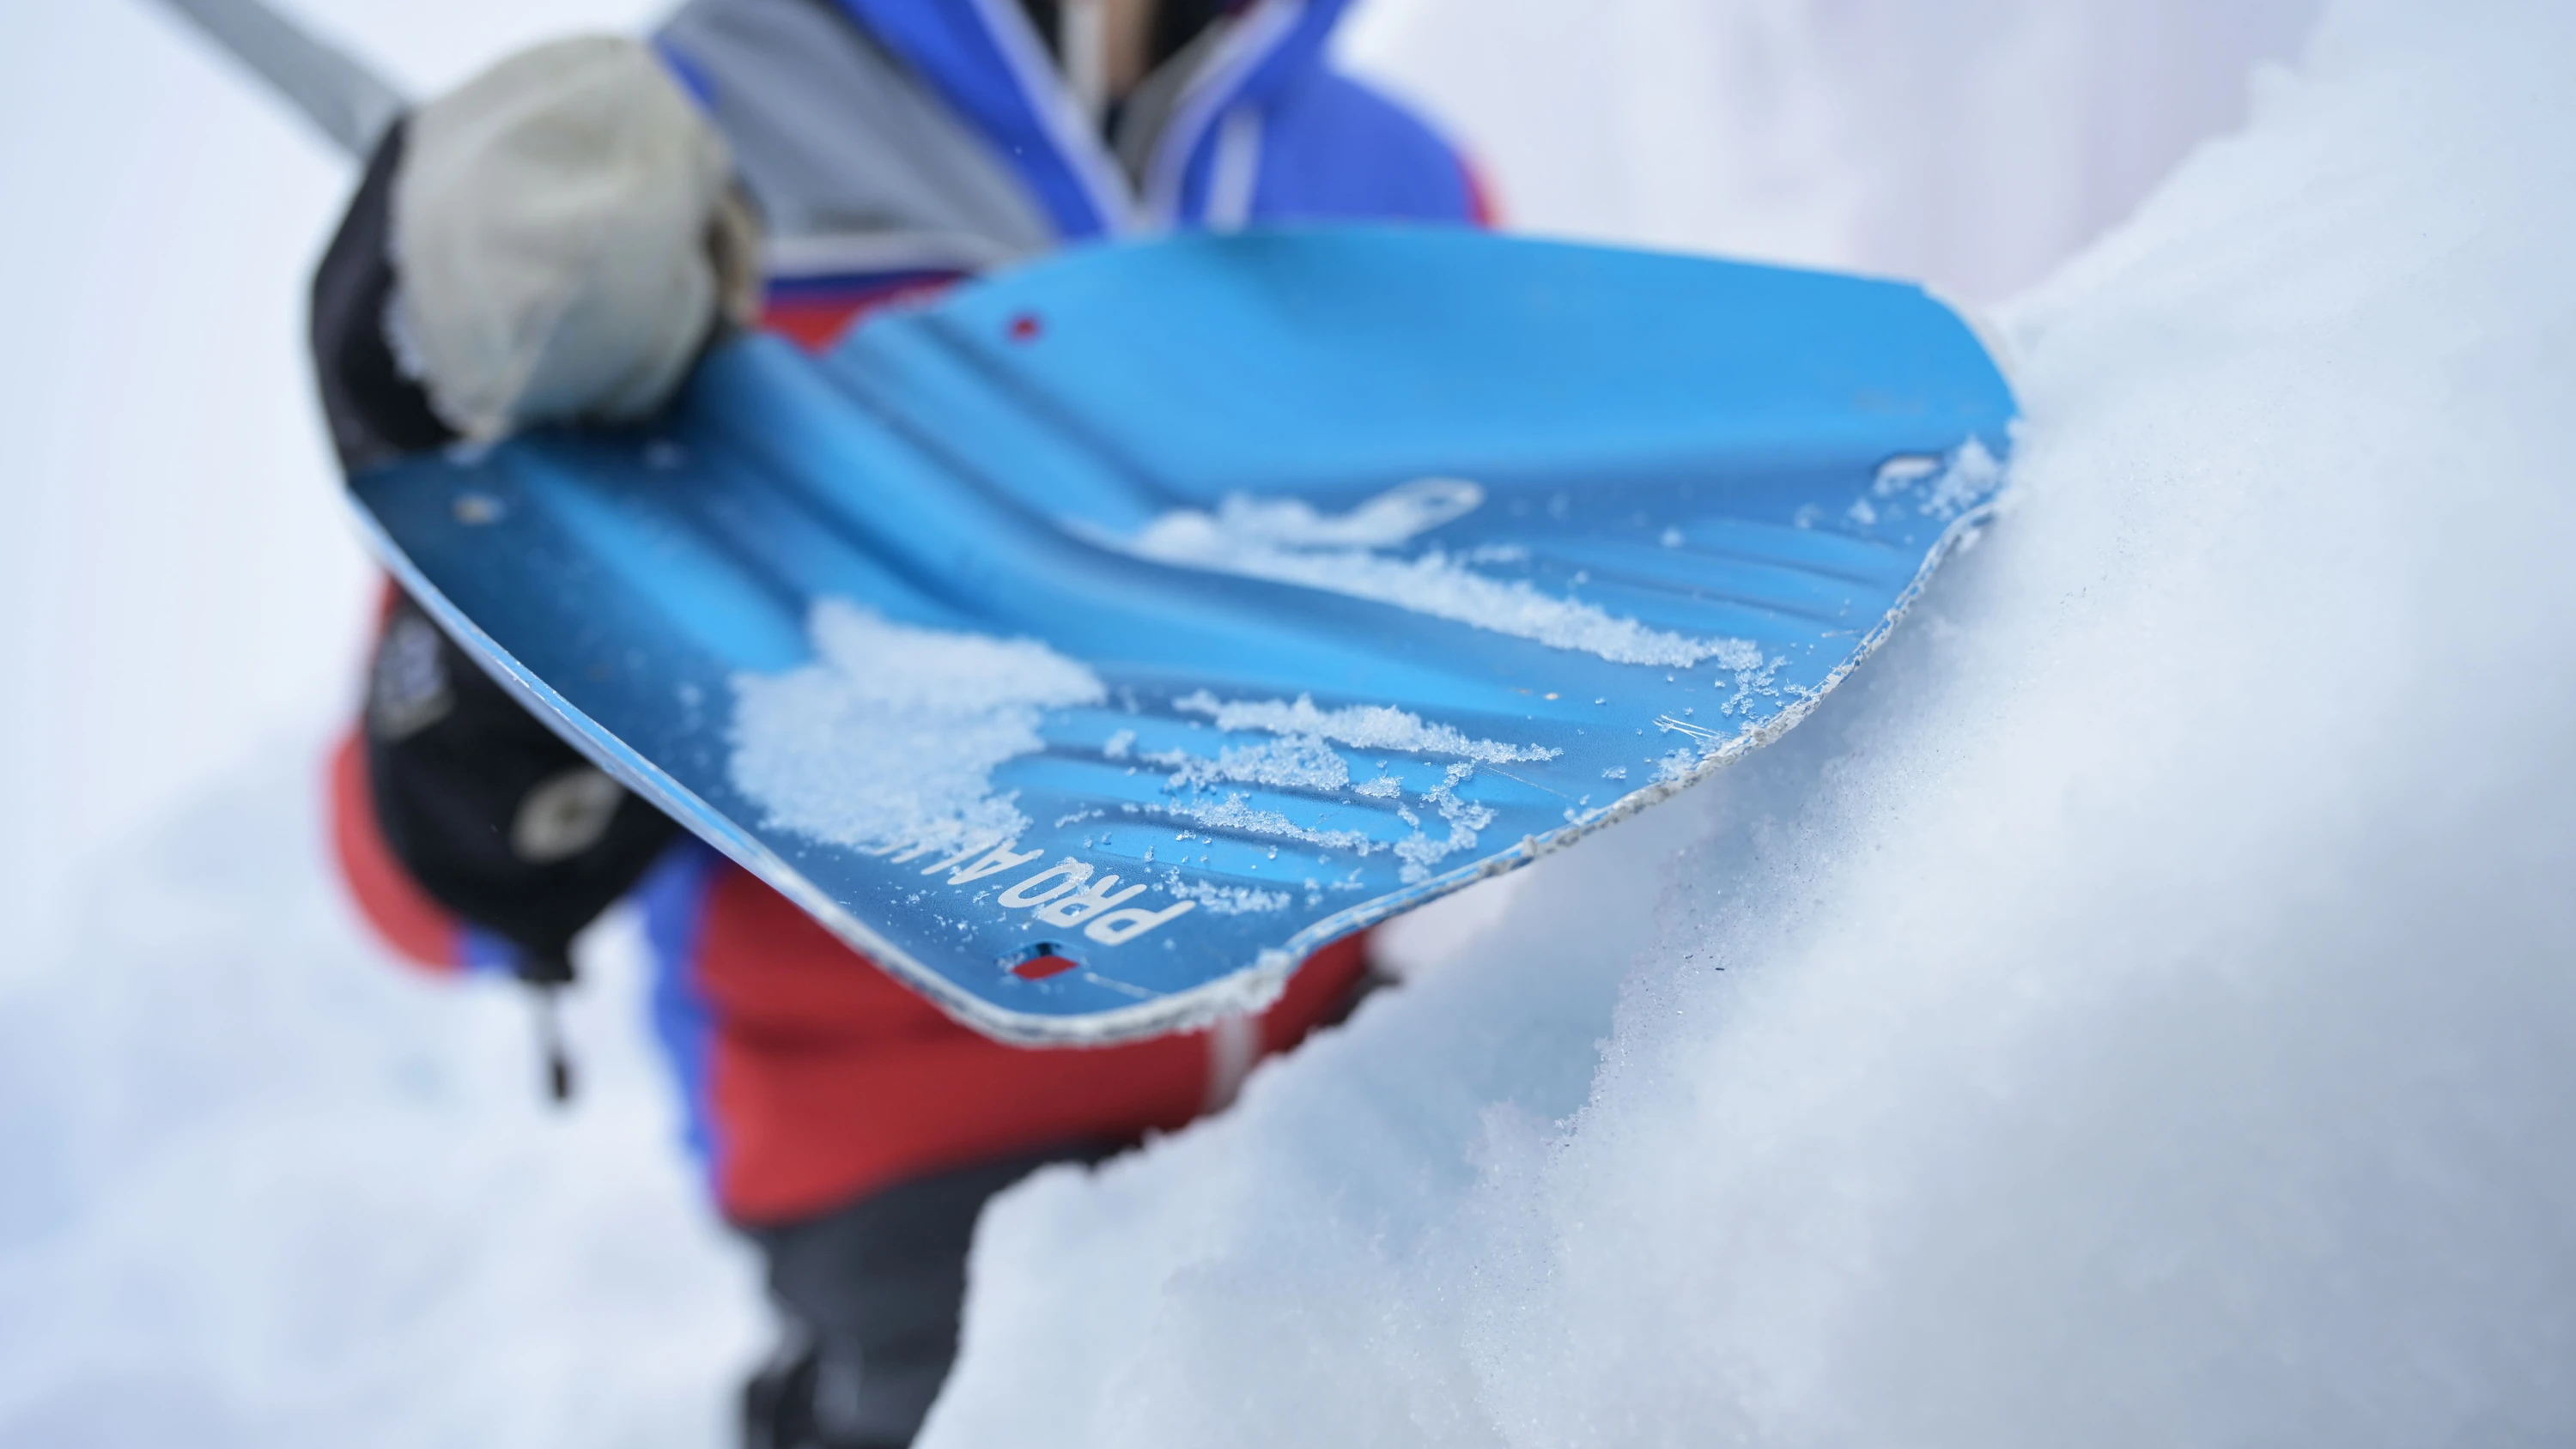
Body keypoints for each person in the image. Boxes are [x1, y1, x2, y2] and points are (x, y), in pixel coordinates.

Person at [309, 2, 1490, 1445]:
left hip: (1332, 1051)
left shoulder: (1385, 182)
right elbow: (416, 892)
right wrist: (476, 558)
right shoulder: (637, 179)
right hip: (915, 1163)